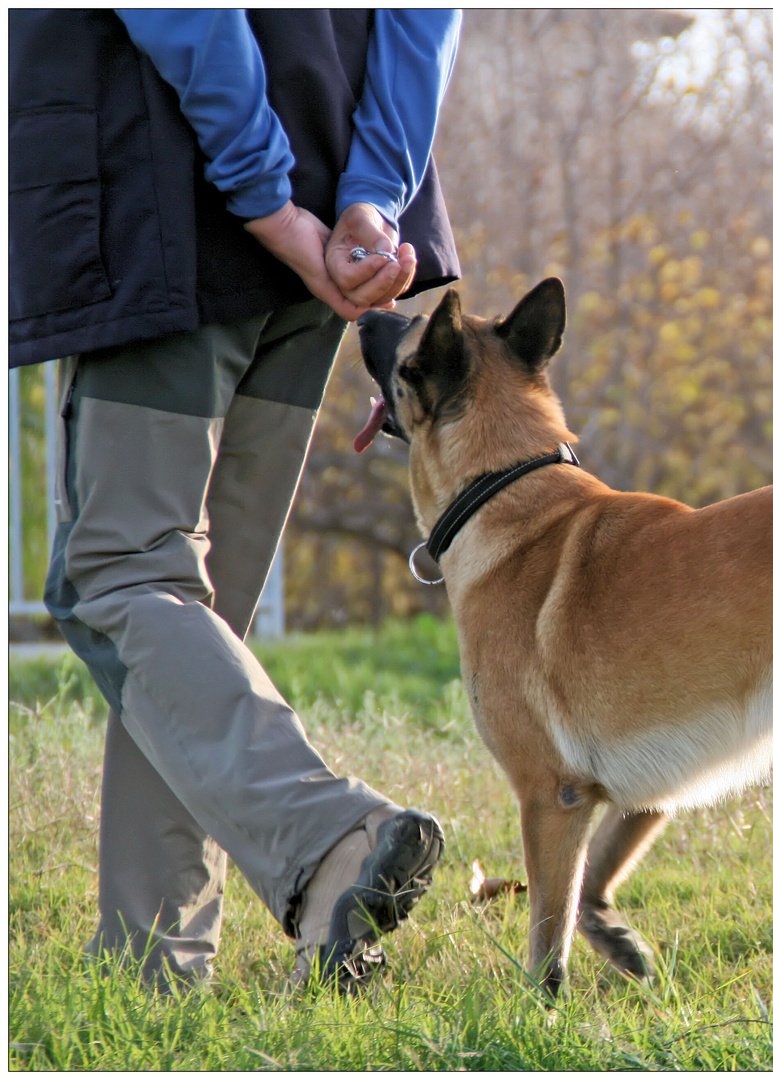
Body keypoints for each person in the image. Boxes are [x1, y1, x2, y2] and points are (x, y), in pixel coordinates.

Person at [8, 10, 463, 990]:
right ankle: (156, 967)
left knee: (123, 576)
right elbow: (421, 20)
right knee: (188, 616)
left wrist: (263, 196)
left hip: (173, 185)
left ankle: (330, 840)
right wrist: (371, 203)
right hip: (333, 219)